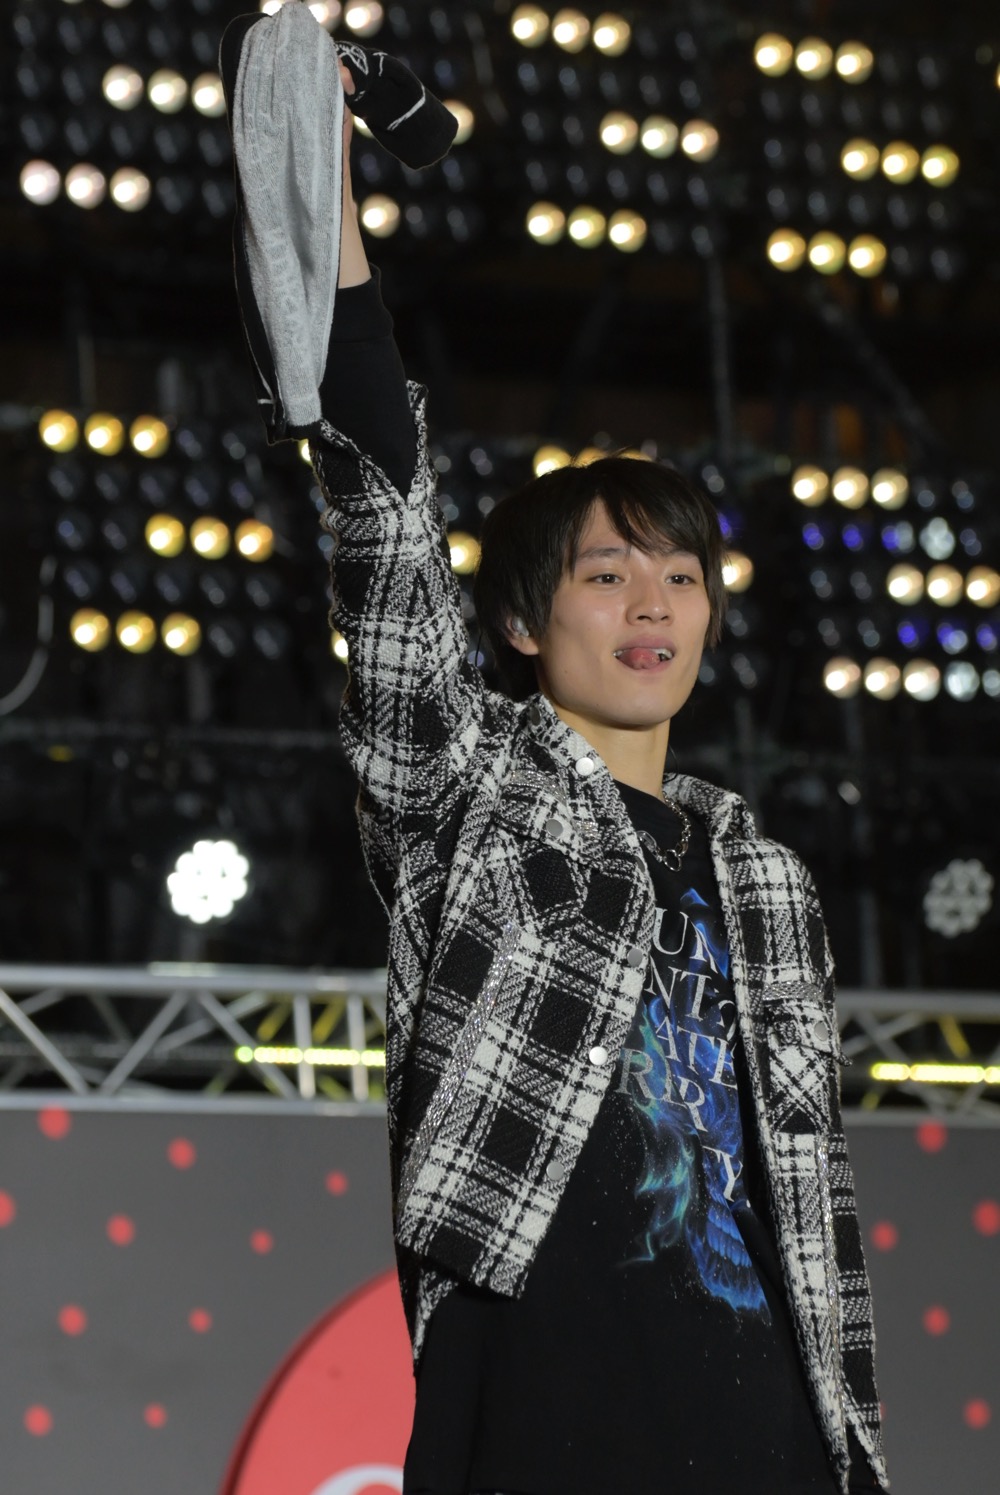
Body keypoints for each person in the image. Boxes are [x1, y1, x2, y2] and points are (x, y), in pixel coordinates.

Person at [221, 7, 889, 1492]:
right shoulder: (469, 791)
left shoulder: (767, 877)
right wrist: (329, 200)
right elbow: (383, 519)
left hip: (771, 1435)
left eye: (682, 576)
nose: (654, 605)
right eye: (606, 574)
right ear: (525, 621)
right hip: (546, 1407)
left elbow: (813, 1200)